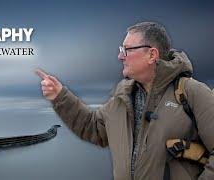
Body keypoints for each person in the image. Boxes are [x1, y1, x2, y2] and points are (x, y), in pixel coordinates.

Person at [36, 22, 214, 180]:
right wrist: (60, 96)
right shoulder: (121, 96)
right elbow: (93, 128)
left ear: (152, 55)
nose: (120, 56)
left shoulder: (192, 92)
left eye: (126, 50)